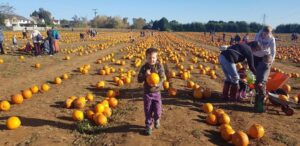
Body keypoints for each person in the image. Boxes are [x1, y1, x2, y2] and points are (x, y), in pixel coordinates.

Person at [137, 48, 166, 135]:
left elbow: (163, 77)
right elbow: (139, 79)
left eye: (153, 57)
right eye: (149, 58)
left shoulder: (159, 66)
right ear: (146, 58)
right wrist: (145, 75)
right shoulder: (144, 67)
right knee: (148, 110)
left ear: (156, 58)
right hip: (147, 93)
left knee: (158, 110)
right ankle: (148, 126)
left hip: (157, 92)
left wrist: (159, 83)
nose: (152, 59)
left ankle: (157, 119)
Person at [253, 26, 276, 113]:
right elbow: (255, 45)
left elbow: (273, 51)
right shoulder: (258, 35)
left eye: (267, 33)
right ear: (262, 31)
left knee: (262, 78)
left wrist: (271, 61)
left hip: (266, 57)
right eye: (264, 33)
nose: (265, 35)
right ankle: (258, 96)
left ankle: (259, 101)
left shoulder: (271, 39)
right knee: (258, 76)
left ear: (269, 33)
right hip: (256, 55)